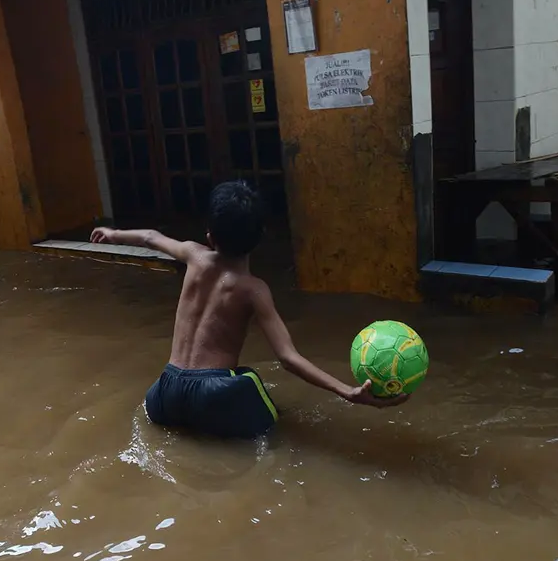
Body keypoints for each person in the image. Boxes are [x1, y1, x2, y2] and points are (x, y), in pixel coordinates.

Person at [90, 180, 408, 439]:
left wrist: (113, 234)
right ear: (260, 239)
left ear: (210, 236)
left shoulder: (193, 255)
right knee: (263, 402)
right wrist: (347, 391)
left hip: (163, 393)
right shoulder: (253, 289)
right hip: (212, 393)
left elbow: (150, 236)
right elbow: (288, 358)